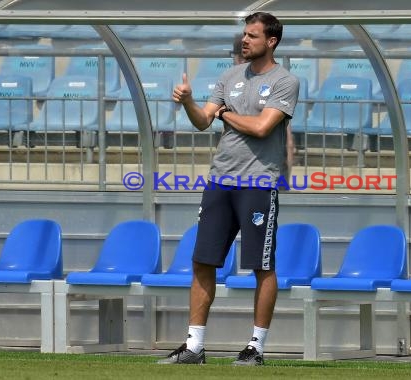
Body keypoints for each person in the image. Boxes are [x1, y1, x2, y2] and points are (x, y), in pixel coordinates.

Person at [160, 12, 300, 366]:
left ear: (272, 41)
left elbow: (261, 127)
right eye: (244, 34)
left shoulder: (286, 81)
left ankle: (256, 347)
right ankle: (194, 346)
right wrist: (189, 102)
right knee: (202, 261)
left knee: (261, 265)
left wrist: (223, 114)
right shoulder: (229, 76)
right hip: (220, 181)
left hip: (258, 184)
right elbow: (203, 120)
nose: (245, 40)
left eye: (253, 35)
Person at [232, 33, 296, 182]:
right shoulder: (276, 80)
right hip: (270, 171)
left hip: (252, 173)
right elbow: (288, 140)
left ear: (240, 58)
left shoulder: (238, 86)